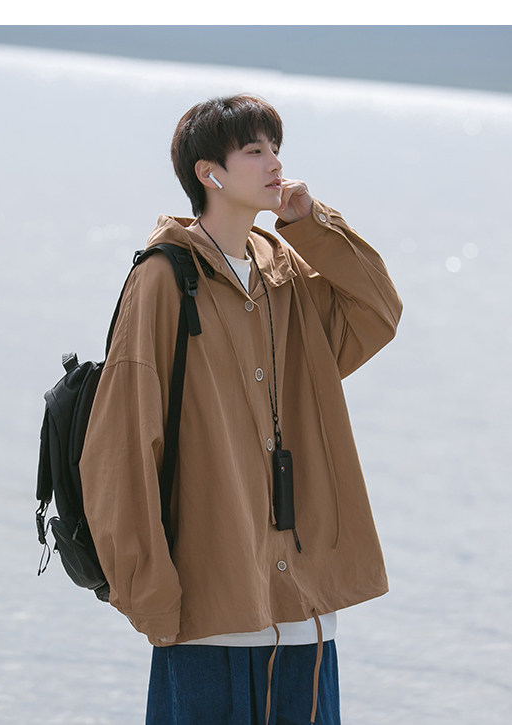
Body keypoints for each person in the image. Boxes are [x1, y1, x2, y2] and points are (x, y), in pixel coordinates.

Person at [79, 94, 403, 724]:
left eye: (276, 148)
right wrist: (151, 594)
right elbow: (121, 447)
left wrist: (312, 224)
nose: (274, 162)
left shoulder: (286, 273)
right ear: (210, 173)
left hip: (305, 610)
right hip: (210, 612)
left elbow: (378, 312)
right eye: (255, 150)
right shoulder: (163, 280)